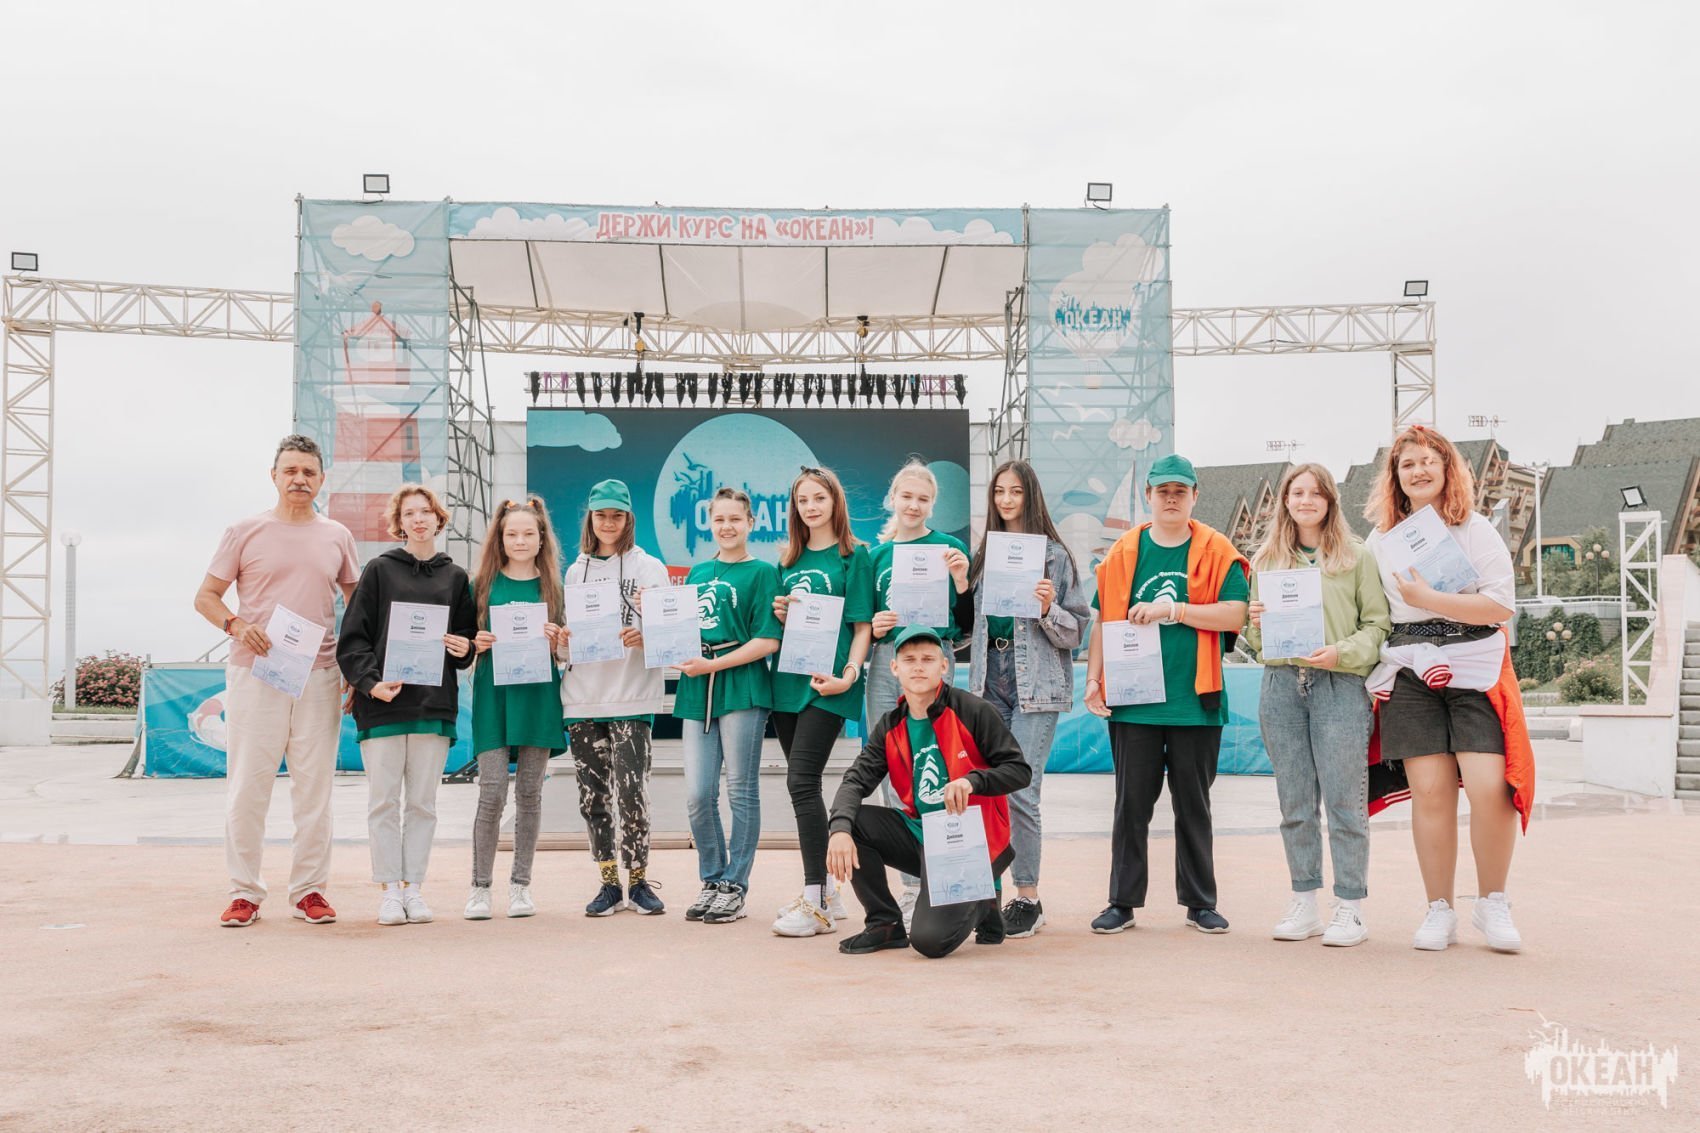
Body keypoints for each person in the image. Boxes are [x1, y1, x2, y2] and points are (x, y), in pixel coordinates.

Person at [1362, 426, 1527, 953]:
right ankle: (1440, 909)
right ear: (1396, 477)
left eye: (1429, 461)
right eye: (1408, 464)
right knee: (1430, 794)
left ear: (1447, 468)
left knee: (1489, 787)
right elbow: (1367, 609)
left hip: (1474, 666)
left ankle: (1492, 902)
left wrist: (1430, 598)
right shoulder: (1379, 541)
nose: (1419, 471)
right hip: (1411, 669)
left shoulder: (1476, 529)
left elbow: (1499, 606)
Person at [193, 434, 359, 927]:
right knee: (248, 786)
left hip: (320, 675)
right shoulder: (245, 531)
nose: (299, 479)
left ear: (322, 479)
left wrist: (356, 668)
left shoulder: (337, 536)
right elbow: (206, 597)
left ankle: (309, 891)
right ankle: (244, 892)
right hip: (255, 672)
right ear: (274, 476)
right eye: (290, 471)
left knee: (314, 790)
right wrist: (236, 624)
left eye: (308, 472)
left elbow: (359, 606)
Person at [1085, 454, 1249, 936]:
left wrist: (1174, 610)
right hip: (1133, 701)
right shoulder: (1122, 552)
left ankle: (1200, 902)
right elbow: (1104, 622)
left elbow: (1235, 614)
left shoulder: (1217, 549)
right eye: (1163, 491)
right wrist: (1093, 679)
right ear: (1149, 496)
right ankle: (1121, 902)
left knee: (1193, 805)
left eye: (1180, 491)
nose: (1171, 499)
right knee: (1130, 806)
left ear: (1195, 496)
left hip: (1195, 701)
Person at [1244, 464, 1390, 947]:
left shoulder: (1357, 557)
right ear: (1285, 501)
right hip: (1281, 685)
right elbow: (1256, 642)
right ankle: (1304, 900)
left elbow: (1378, 625)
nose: (1305, 500)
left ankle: (1350, 906)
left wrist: (1340, 653)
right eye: (1297, 492)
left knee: (1345, 802)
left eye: (1315, 493)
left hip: (1339, 686)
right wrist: (1257, 624)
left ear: (1330, 500)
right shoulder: (1266, 561)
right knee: (1295, 803)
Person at [827, 626, 1031, 958]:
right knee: (853, 821)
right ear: (895, 668)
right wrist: (838, 830)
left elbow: (1019, 771)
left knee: (929, 941)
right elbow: (855, 780)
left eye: (927, 659)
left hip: (969, 842)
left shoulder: (972, 710)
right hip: (922, 834)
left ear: (944, 665)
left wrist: (973, 781)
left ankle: (984, 898)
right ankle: (884, 924)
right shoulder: (891, 725)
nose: (918, 667)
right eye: (909, 660)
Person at [954, 460, 1090, 938]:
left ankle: (1028, 897)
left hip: (1036, 686)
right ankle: (985, 893)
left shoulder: (1055, 556)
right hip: (989, 680)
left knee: (1020, 792)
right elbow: (965, 629)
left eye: (1015, 491)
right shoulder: (984, 554)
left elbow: (1076, 632)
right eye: (999, 491)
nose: (1006, 500)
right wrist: (960, 586)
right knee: (984, 790)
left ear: (1031, 496)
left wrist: (1048, 607)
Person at [337, 484, 480, 926]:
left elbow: (467, 639)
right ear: (398, 523)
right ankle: (389, 891)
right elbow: (353, 639)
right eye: (409, 513)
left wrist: (466, 648)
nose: (418, 519)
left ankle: (414, 888)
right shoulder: (379, 570)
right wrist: (371, 684)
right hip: (382, 704)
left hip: (432, 706)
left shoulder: (456, 577)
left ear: (439, 519)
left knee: (422, 804)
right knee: (383, 803)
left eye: (426, 512)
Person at [768, 465, 875, 938]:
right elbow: (786, 625)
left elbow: (862, 627)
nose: (810, 507)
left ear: (835, 502)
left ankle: (815, 902)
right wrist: (781, 612)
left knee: (801, 781)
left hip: (828, 684)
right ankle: (828, 892)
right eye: (802, 500)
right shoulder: (787, 561)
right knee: (804, 787)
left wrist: (848, 676)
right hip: (787, 685)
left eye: (819, 498)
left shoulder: (854, 556)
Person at [557, 479, 671, 916]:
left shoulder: (650, 568)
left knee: (632, 794)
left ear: (628, 518)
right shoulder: (575, 572)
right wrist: (562, 642)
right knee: (593, 798)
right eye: (601, 515)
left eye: (616, 515)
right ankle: (608, 883)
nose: (608, 522)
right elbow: (568, 645)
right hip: (583, 698)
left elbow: (672, 636)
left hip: (633, 695)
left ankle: (638, 881)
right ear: (590, 518)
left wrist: (647, 634)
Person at [864, 459, 971, 924]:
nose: (914, 505)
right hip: (888, 662)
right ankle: (911, 887)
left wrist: (962, 581)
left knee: (938, 765)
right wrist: (875, 624)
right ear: (893, 498)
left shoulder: (950, 548)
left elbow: (967, 624)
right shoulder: (876, 556)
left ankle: (945, 880)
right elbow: (861, 623)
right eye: (906, 496)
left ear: (933, 504)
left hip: (933, 659)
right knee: (893, 768)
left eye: (923, 499)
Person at [674, 488, 784, 925]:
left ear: (751, 523)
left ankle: (735, 884)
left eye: (735, 519)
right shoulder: (698, 572)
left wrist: (714, 663)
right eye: (719, 519)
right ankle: (712, 878)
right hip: (698, 688)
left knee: (741, 789)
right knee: (698, 794)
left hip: (742, 684)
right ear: (709, 523)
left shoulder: (763, 572)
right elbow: (681, 631)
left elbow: (768, 640)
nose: (727, 526)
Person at [466, 498, 567, 921]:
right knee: (491, 792)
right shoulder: (480, 585)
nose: (520, 541)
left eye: (528, 533)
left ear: (542, 538)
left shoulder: (554, 588)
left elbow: (566, 653)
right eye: (512, 534)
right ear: (500, 539)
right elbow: (463, 644)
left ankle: (520, 886)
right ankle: (479, 888)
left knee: (529, 793)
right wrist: (475, 643)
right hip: (494, 698)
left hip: (538, 698)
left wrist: (558, 643)